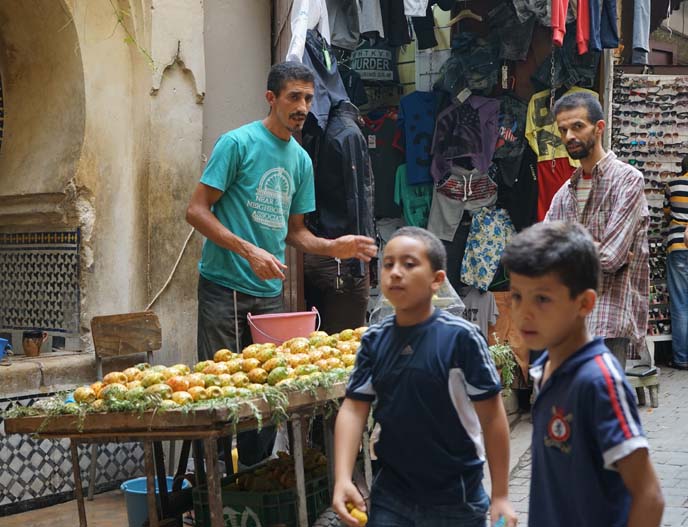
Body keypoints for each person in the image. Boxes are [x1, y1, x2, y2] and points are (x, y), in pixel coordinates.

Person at [185, 61, 377, 465]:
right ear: (271, 98)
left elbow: (295, 233)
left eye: (308, 98)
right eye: (294, 97)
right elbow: (197, 211)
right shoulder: (237, 144)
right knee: (221, 391)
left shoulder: (301, 161)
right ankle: (214, 488)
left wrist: (332, 247)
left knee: (268, 394)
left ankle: (255, 481)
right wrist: (249, 250)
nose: (303, 107)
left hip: (268, 297)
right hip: (223, 287)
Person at [332, 226, 517, 527]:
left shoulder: (462, 339)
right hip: (391, 494)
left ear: (437, 280)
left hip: (456, 496)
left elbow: (493, 418)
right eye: (388, 263)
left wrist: (500, 495)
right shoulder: (374, 340)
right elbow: (353, 409)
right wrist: (342, 477)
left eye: (409, 264)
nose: (394, 272)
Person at [501, 221, 664, 527]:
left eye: (542, 298)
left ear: (585, 303)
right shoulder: (546, 370)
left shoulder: (599, 382)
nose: (524, 312)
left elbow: (649, 496)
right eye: (517, 296)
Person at [545, 91, 649, 372]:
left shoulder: (628, 180)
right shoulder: (565, 193)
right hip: (567, 320)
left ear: (599, 128)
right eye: (563, 130)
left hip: (607, 317)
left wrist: (566, 252)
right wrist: (592, 248)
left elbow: (611, 258)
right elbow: (541, 253)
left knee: (602, 409)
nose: (569, 136)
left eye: (577, 126)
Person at [664, 157, 688, 369]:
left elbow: (666, 213)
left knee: (680, 304)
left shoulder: (673, 185)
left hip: (678, 246)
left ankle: (681, 358)